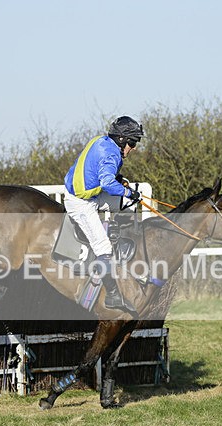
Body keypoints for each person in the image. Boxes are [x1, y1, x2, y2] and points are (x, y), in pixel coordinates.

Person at [63, 116, 144, 314]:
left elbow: (102, 172)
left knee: (130, 204)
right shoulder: (112, 155)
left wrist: (121, 182)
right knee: (104, 247)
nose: (133, 148)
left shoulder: (103, 141)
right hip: (80, 203)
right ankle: (112, 294)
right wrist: (127, 191)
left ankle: (121, 245)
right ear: (122, 140)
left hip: (92, 195)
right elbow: (107, 182)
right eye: (132, 143)